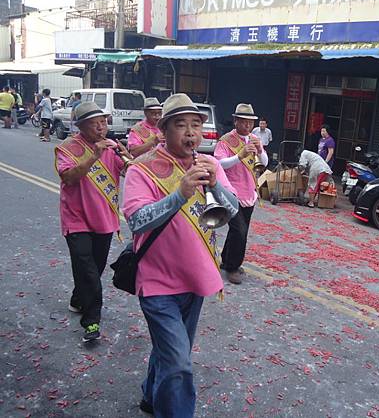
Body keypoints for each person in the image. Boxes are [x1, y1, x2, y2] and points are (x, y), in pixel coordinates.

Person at [122, 93, 238, 418]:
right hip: (158, 284)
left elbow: (232, 209)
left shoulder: (209, 164)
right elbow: (136, 220)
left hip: (195, 279)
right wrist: (178, 195)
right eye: (181, 125)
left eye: (196, 125)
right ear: (164, 130)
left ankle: (150, 395)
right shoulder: (142, 170)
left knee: (172, 352)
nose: (190, 133)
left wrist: (215, 185)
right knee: (179, 363)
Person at [55, 102, 132, 342]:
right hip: (76, 219)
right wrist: (94, 155)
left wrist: (127, 156)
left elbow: (129, 172)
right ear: (80, 127)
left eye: (103, 122)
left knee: (94, 269)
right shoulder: (67, 148)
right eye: (95, 123)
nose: (101, 127)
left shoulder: (112, 147)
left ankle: (79, 299)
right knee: (87, 269)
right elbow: (69, 177)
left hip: (104, 218)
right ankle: (91, 321)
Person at [214, 103, 267, 285]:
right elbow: (219, 164)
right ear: (236, 121)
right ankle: (233, 267)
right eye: (243, 122)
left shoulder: (253, 138)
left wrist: (260, 150)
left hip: (249, 190)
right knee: (239, 230)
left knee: (238, 230)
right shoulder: (226, 140)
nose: (247, 126)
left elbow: (264, 162)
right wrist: (240, 156)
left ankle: (227, 259)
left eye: (250, 122)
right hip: (232, 192)